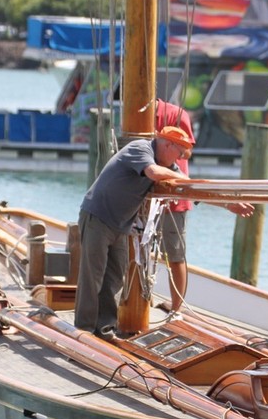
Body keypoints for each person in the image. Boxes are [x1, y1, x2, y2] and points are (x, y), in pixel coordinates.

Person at [75, 126, 192, 340]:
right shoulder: (140, 149)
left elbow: (190, 187)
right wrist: (177, 175)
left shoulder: (169, 164)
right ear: (167, 145)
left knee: (114, 278)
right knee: (93, 276)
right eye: (180, 152)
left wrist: (230, 204)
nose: (181, 158)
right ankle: (83, 331)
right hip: (98, 218)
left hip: (120, 225)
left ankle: (104, 329)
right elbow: (154, 173)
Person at [155, 100, 252, 314]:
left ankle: (176, 306)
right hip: (145, 192)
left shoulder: (176, 114)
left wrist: (167, 144)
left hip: (175, 195)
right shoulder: (133, 114)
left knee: (175, 254)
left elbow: (187, 151)